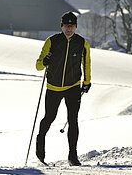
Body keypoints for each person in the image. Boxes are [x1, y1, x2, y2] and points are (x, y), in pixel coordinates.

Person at [35, 11, 91, 166]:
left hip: (73, 87)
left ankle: (73, 156)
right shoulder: (52, 41)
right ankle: (40, 142)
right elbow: (38, 65)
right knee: (49, 117)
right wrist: (44, 62)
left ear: (75, 27)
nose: (69, 29)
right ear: (62, 26)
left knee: (73, 120)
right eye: (66, 26)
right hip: (53, 87)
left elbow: (86, 63)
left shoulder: (81, 43)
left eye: (72, 26)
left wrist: (87, 82)